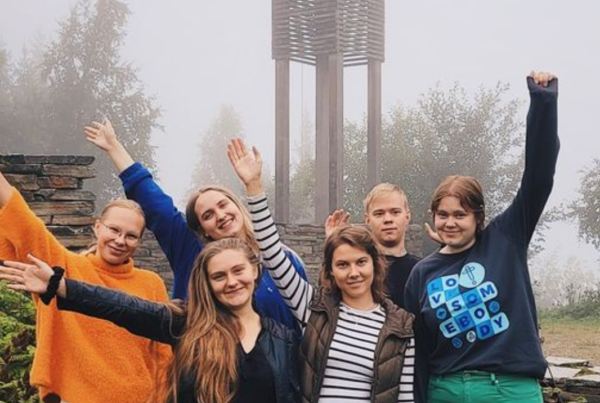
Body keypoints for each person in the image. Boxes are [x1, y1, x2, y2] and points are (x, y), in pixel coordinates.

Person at [404, 71, 559, 403]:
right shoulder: (422, 273)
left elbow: (539, 175)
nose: (450, 223)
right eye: (442, 214)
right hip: (445, 391)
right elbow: (418, 353)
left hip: (509, 390)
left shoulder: (506, 240)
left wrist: (543, 103)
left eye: (460, 215)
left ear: (478, 217)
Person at [227, 138, 416, 403]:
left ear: (376, 265)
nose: (353, 272)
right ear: (331, 271)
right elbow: (271, 252)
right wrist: (254, 186)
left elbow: (405, 397)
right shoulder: (314, 309)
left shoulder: (401, 324)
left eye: (361, 262)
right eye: (342, 264)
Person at [0, 237, 300, 403]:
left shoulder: (284, 338)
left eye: (238, 271)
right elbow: (124, 307)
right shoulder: (187, 324)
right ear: (207, 284)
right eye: (219, 276)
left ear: (254, 271)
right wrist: (61, 286)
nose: (231, 282)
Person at [83, 120, 308, 333]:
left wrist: (254, 184)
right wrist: (114, 147)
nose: (220, 216)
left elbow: (304, 321)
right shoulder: (192, 254)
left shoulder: (283, 261)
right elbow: (156, 206)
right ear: (203, 230)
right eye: (208, 215)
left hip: (279, 361)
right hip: (207, 360)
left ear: (238, 206)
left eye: (223, 205)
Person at [0, 169, 171, 403]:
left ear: (139, 242)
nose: (120, 240)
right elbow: (27, 226)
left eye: (131, 236)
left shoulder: (151, 283)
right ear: (97, 227)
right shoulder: (64, 267)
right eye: (114, 229)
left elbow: (163, 354)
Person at [326, 183, 421, 309]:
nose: (388, 219)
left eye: (395, 212)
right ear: (368, 220)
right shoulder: (359, 270)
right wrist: (334, 247)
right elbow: (327, 300)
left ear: (407, 216)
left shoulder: (422, 270)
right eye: (379, 214)